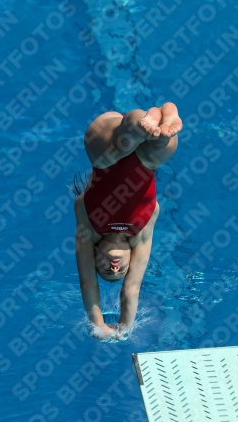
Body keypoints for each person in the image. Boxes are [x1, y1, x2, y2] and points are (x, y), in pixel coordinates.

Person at [73, 102, 182, 340]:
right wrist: (126, 327)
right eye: (120, 270)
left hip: (106, 145)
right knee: (161, 146)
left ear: (95, 253)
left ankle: (147, 120)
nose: (113, 267)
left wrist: (99, 326)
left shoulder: (88, 226)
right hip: (146, 161)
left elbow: (88, 284)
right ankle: (163, 117)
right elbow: (131, 288)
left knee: (125, 139)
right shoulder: (141, 233)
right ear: (130, 258)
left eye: (104, 269)